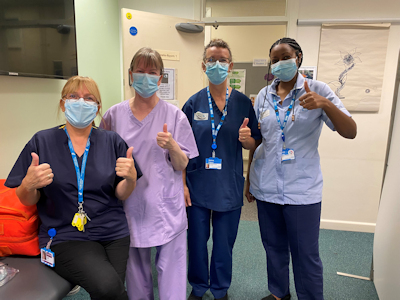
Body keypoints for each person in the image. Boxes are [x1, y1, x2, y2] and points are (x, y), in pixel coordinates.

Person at [5, 76, 142, 300]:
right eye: (73, 96)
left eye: (89, 98)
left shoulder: (112, 141)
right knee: (109, 288)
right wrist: (28, 184)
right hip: (65, 234)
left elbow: (121, 193)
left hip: (113, 232)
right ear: (62, 103)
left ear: (98, 108)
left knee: (108, 293)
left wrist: (131, 180)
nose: (81, 102)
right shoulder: (42, 141)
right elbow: (26, 198)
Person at [245, 37, 357, 300]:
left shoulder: (317, 90)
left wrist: (325, 104)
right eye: (274, 60)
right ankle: (278, 294)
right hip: (266, 185)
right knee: (273, 248)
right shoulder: (263, 95)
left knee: (305, 253)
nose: (279, 63)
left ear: (298, 58)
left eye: (285, 57)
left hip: (301, 189)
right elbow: (259, 140)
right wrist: (249, 180)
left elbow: (351, 131)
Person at [100, 47, 198, 300]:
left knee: (172, 273)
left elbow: (181, 164)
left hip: (166, 205)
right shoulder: (114, 115)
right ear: (131, 74)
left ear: (160, 77)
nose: (145, 77)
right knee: (136, 274)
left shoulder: (175, 116)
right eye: (140, 71)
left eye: (152, 72)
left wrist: (173, 146)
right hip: (129, 204)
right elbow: (103, 159)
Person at [182, 39, 261, 300]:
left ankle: (219, 288)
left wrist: (247, 139)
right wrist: (182, 184)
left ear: (231, 65)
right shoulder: (193, 104)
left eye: (223, 60)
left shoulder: (242, 103)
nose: (217, 64)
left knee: (224, 243)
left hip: (229, 183)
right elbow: (182, 149)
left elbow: (253, 142)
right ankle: (199, 285)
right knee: (196, 241)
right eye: (212, 60)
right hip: (198, 183)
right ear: (204, 65)